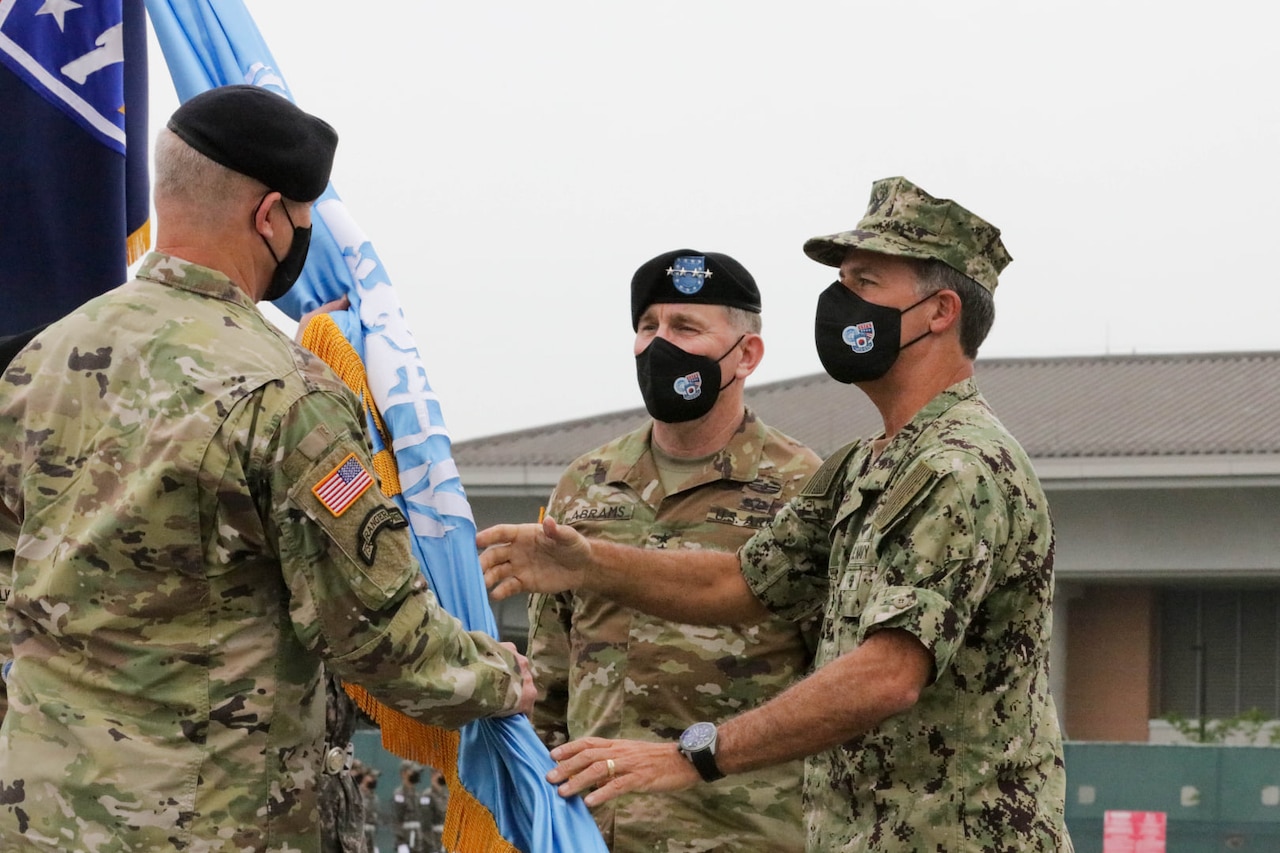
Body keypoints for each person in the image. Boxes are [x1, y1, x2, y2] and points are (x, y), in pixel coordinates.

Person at [0, 84, 534, 852]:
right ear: (269, 216)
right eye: (305, 221)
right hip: (210, 823)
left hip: (41, 817)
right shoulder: (289, 394)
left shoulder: (35, 364)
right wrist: (498, 675)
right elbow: (374, 634)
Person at [479, 177, 1074, 852]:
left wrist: (693, 753)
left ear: (939, 311)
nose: (838, 302)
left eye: (865, 282)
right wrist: (591, 562)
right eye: (841, 281)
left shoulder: (956, 465)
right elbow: (738, 583)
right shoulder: (863, 466)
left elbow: (887, 673)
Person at [527, 249, 819, 852]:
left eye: (686, 327)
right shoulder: (586, 482)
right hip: (593, 832)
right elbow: (553, 674)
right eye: (648, 326)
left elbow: (832, 678)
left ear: (746, 355)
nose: (660, 344)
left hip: (742, 833)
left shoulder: (801, 487)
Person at [391, 761, 432, 853]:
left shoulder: (418, 795)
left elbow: (424, 821)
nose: (416, 774)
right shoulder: (399, 794)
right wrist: (401, 843)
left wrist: (428, 843)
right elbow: (396, 820)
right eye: (413, 771)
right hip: (406, 838)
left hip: (419, 839)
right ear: (404, 773)